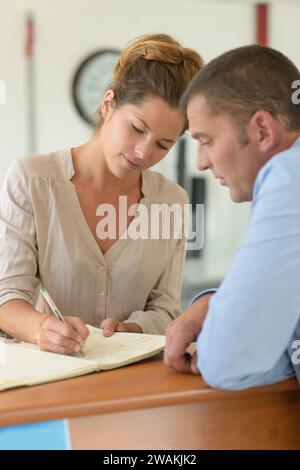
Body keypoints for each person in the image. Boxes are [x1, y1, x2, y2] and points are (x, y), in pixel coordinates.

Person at [0, 34, 203, 355]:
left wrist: (131, 330)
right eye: (137, 128)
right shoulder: (32, 180)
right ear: (108, 103)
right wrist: (41, 329)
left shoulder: (172, 202)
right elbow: (6, 296)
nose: (143, 152)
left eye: (163, 145)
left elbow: (165, 308)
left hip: (126, 382)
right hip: (45, 386)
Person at [164, 45, 300, 390]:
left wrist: (218, 312)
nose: (201, 162)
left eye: (206, 140)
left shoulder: (289, 175)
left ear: (262, 131)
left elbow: (227, 361)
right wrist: (214, 302)